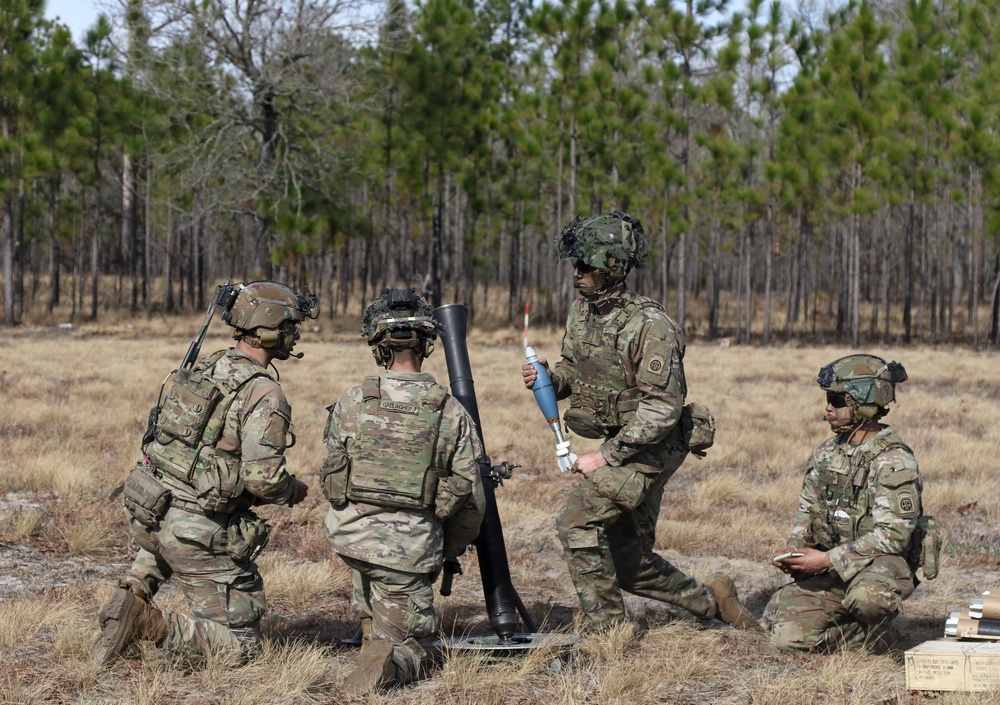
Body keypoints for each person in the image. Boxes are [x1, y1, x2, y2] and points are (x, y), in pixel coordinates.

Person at [521, 210, 757, 632]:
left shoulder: (651, 325)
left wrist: (606, 456)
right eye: (574, 264)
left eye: (586, 265)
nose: (576, 273)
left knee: (576, 519)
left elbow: (662, 408)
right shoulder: (583, 313)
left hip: (651, 447)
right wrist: (548, 380)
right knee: (630, 564)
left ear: (613, 266)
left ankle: (607, 632)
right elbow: (575, 371)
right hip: (623, 441)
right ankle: (714, 604)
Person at [90, 280, 315, 664]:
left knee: (166, 542)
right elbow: (264, 479)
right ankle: (146, 624)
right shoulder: (263, 393)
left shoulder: (210, 364)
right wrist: (293, 490)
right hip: (194, 529)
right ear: (268, 329)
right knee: (242, 648)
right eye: (291, 326)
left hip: (148, 508)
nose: (295, 336)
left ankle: (131, 593)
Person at [320, 287, 485, 694]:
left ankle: (372, 633)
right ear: (427, 344)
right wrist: (444, 549)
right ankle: (391, 658)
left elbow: (333, 477)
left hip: (351, 542)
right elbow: (472, 503)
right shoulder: (449, 411)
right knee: (419, 650)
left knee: (374, 575)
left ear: (379, 345)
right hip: (407, 556)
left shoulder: (354, 401)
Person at [762, 354, 925, 653]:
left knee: (868, 600)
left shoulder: (893, 461)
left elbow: (894, 536)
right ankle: (860, 634)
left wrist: (826, 560)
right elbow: (808, 510)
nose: (828, 407)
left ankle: (877, 631)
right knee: (786, 637)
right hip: (835, 567)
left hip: (881, 565)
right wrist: (795, 548)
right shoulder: (827, 453)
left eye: (837, 400)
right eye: (828, 399)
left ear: (861, 403)